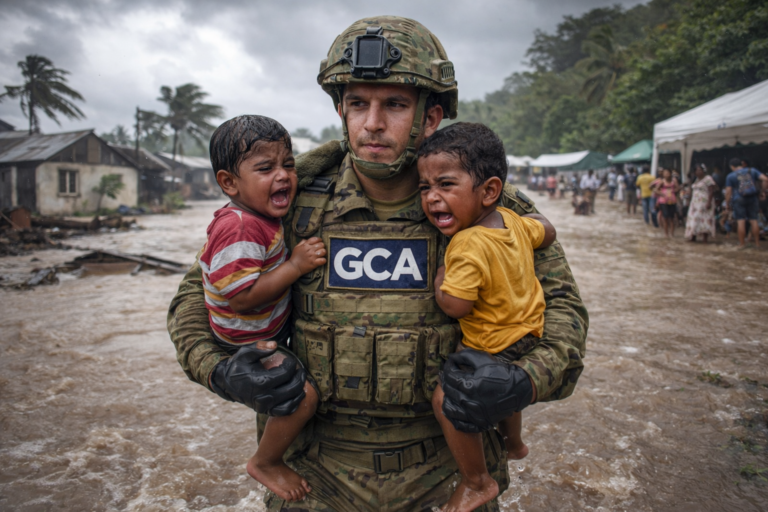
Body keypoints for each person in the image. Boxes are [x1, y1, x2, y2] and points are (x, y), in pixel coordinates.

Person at [167, 16, 588, 512]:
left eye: (394, 105)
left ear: (431, 117)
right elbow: (194, 303)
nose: (372, 123)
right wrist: (222, 372)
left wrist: (525, 380)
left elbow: (565, 316)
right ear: (341, 112)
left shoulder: (487, 208)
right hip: (315, 476)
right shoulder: (286, 202)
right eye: (357, 104)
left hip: (448, 472)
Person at [417, 123, 557, 511]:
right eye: (425, 188)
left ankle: (477, 481)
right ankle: (514, 444)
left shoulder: (466, 243)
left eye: (446, 185)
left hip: (490, 344)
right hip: (529, 334)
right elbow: (547, 231)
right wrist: (539, 229)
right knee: (506, 395)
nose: (433, 198)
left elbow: (457, 306)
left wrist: (440, 282)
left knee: (447, 400)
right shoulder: (512, 220)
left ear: (490, 190)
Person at [198, 115, 326, 502]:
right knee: (302, 397)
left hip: (261, 330)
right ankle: (265, 461)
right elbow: (241, 297)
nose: (284, 175)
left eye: (288, 164)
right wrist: (295, 266)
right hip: (249, 341)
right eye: (266, 168)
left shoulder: (259, 216)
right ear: (229, 183)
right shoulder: (241, 227)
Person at [725, 157, 768, 248]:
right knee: (754, 220)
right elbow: (765, 179)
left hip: (739, 199)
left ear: (732, 166)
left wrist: (727, 204)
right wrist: (762, 192)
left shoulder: (731, 176)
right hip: (753, 198)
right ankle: (757, 243)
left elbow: (728, 192)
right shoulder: (752, 170)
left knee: (741, 221)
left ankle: (742, 244)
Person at [684, 164, 716, 243]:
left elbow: (711, 191)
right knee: (693, 218)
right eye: (697, 170)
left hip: (704, 202)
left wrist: (709, 202)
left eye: (700, 170)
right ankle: (693, 236)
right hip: (695, 203)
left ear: (703, 171)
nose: (699, 172)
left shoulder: (708, 178)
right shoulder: (696, 180)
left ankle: (705, 238)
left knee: (704, 219)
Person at [652, 168, 680, 238]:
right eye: (664, 173)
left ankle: (672, 234)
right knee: (665, 217)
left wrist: (673, 191)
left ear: (670, 174)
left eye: (667, 173)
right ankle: (666, 234)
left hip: (672, 201)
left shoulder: (674, 181)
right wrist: (661, 194)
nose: (666, 174)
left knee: (672, 218)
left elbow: (678, 188)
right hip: (663, 201)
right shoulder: (662, 181)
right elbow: (655, 189)